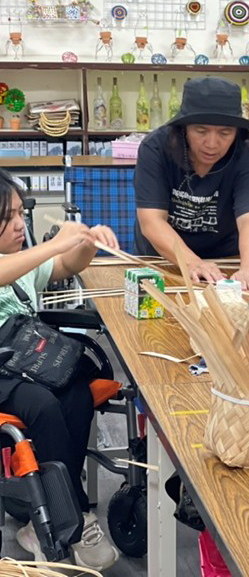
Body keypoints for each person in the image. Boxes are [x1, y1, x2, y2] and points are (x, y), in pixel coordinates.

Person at [0, 170, 119, 570]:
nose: (19, 224)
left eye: (21, 213)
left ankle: (50, 520)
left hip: (28, 362)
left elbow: (66, 264)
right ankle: (64, 516)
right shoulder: (14, 264)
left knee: (77, 391)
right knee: (44, 405)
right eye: (8, 217)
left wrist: (86, 243)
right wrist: (54, 243)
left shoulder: (23, 264)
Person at [134, 77, 249, 291]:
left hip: (224, 262)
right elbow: (151, 221)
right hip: (163, 261)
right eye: (201, 131)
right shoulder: (156, 149)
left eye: (225, 132)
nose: (212, 144)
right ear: (184, 128)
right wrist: (192, 263)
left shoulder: (248, 160)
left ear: (237, 132)